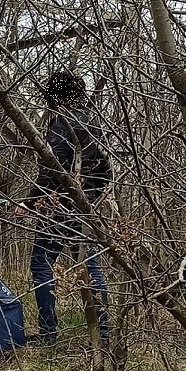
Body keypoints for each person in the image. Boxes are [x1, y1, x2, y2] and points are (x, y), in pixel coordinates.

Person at [14, 71, 111, 345]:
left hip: (60, 208)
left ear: (56, 97)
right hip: (87, 208)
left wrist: (31, 201)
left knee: (41, 263)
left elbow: (51, 169)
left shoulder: (63, 124)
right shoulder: (96, 124)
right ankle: (103, 333)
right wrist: (93, 199)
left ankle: (48, 334)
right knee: (91, 266)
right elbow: (106, 169)